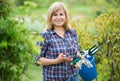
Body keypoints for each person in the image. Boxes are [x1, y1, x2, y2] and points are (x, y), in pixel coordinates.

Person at [37, 2, 80, 81]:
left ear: (66, 16)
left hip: (72, 77)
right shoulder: (45, 35)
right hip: (52, 78)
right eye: (55, 15)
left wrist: (78, 55)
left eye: (61, 14)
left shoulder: (72, 32)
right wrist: (56, 61)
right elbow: (37, 60)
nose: (58, 17)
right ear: (50, 17)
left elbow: (77, 50)